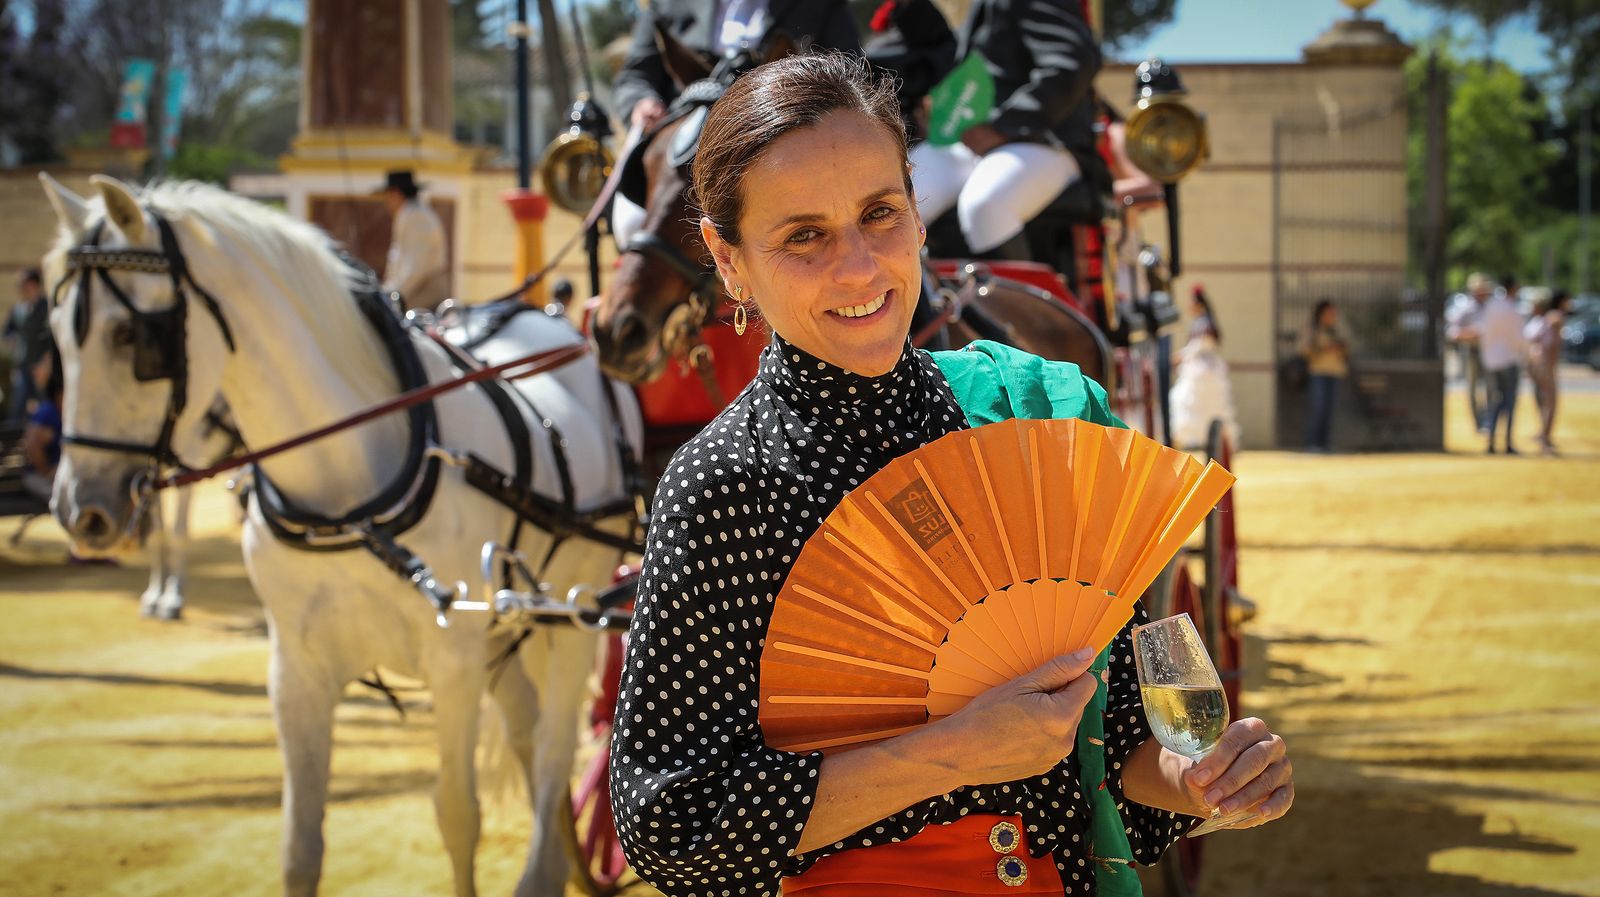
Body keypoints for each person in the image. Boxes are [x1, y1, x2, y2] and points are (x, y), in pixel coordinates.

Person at [610, 53, 1293, 897]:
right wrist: (950, 753)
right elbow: (670, 826)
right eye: (803, 236)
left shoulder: (1035, 421)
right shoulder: (724, 488)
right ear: (729, 258)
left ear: (919, 208)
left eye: (879, 213)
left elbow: (1115, 744)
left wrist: (1198, 780)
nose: (859, 266)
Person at [610, 0, 861, 249]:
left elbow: (850, 73)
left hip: (784, 129)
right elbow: (636, 76)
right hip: (689, 134)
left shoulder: (824, 6)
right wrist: (642, 103)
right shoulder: (666, 4)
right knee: (631, 221)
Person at [908, 0, 1100, 258]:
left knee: (985, 205)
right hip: (971, 143)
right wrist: (941, 115)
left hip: (1043, 141)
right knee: (900, 196)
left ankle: (1020, 300)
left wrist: (1001, 128)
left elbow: (1072, 63)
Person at [1169, 285, 1240, 450]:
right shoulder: (1200, 322)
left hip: (1203, 369)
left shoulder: (1205, 323)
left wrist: (1181, 356)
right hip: (1197, 367)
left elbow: (1202, 345)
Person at [376, 170, 449, 313]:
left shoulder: (416, 216)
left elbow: (415, 267)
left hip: (422, 298)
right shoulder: (410, 214)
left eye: (388, 196)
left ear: (396, 194)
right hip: (413, 296)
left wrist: (392, 294)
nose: (387, 201)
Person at [1478, 277, 1526, 454]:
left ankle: (1490, 441)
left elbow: (1485, 333)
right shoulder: (1513, 309)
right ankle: (1507, 442)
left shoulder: (1490, 307)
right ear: (1513, 288)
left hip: (1491, 361)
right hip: (1509, 360)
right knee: (1509, 402)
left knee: (1493, 401)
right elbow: (1518, 338)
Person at [1524, 290, 1570, 455]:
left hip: (1539, 363)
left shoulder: (1541, 320)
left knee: (1545, 401)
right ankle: (1545, 438)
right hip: (1544, 364)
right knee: (1549, 402)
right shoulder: (1553, 317)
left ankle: (1543, 435)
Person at [1445, 272, 1492, 432]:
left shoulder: (1490, 306)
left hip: (1487, 350)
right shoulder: (1464, 307)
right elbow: (1452, 332)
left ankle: (1489, 420)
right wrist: (1472, 332)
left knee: (1490, 387)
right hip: (1471, 350)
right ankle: (1479, 422)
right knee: (1471, 388)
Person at [5, 268, 50, 422]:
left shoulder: (46, 307)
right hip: (23, 364)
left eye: (23, 284)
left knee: (45, 405)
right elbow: (7, 331)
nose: (20, 288)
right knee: (18, 405)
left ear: (33, 284)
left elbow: (52, 337)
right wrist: (12, 341)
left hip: (41, 366)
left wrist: (46, 362)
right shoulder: (18, 309)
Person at [1303, 299, 1348, 453]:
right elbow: (1305, 350)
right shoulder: (1314, 330)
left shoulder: (1337, 331)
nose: (1332, 315)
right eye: (1329, 312)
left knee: (1330, 410)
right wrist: (1324, 348)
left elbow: (1347, 350)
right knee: (1318, 408)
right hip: (1318, 373)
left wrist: (1341, 348)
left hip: (1335, 373)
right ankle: (1313, 443)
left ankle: (1325, 444)